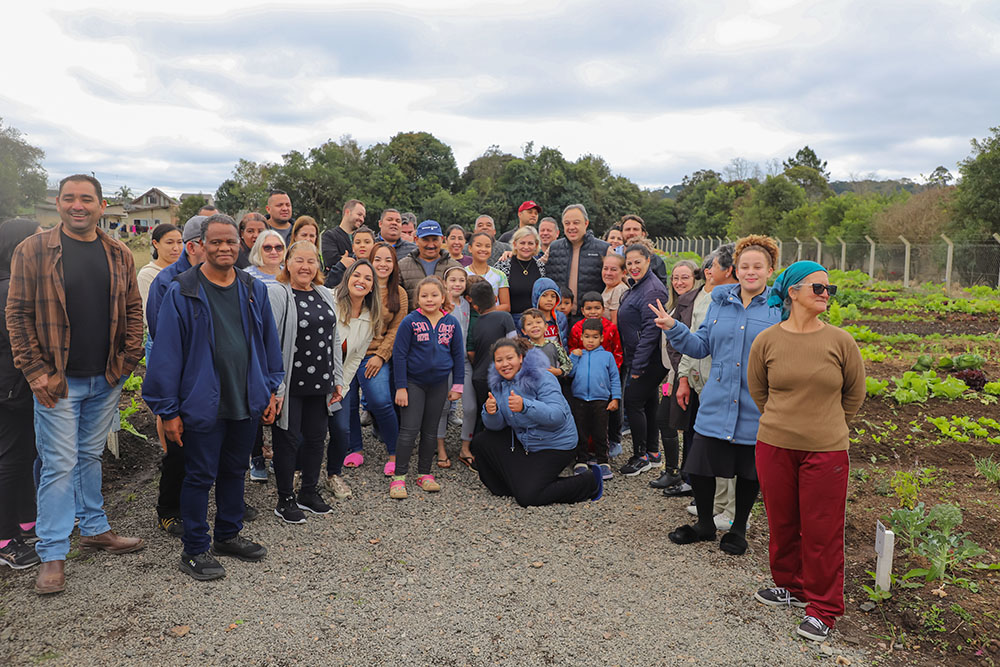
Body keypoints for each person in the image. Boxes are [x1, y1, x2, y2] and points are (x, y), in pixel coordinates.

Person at [7, 174, 145, 594]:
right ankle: (51, 554)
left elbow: (133, 311)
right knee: (59, 465)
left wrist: (125, 364)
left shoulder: (119, 253)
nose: (78, 205)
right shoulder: (32, 250)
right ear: (58, 204)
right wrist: (36, 373)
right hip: (56, 383)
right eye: (70, 198)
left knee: (88, 456)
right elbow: (17, 315)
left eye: (87, 199)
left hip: (104, 378)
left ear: (102, 206)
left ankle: (95, 527)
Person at [143, 214, 284, 581]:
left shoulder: (252, 289)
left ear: (241, 246)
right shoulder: (182, 290)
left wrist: (270, 387)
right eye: (216, 242)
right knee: (199, 475)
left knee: (234, 471)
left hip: (245, 398)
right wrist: (167, 409)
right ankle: (193, 549)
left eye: (231, 242)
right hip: (201, 402)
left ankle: (227, 534)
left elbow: (269, 343)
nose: (224, 248)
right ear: (201, 245)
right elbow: (167, 354)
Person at [749, 261, 865, 643]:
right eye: (817, 287)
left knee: (822, 531)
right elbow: (759, 390)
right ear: (793, 292)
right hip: (775, 445)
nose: (826, 294)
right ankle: (791, 587)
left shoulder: (840, 341)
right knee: (781, 522)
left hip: (825, 451)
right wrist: (783, 422)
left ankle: (824, 608)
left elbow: (854, 393)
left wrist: (828, 425)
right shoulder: (767, 340)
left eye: (829, 289)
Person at [651, 234, 782, 556]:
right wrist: (673, 327)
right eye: (745, 265)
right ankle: (706, 524)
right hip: (717, 396)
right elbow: (700, 346)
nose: (751, 271)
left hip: (755, 401)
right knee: (701, 464)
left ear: (770, 270)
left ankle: (738, 529)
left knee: (749, 470)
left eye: (758, 266)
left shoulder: (778, 310)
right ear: (735, 268)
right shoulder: (719, 304)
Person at [266, 241, 344, 524]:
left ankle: (309, 491)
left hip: (320, 380)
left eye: (311, 261)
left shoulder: (324, 293)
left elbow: (333, 337)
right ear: (288, 263)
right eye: (299, 260)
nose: (305, 267)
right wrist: (275, 387)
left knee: (315, 438)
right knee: (287, 440)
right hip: (290, 382)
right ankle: (285, 498)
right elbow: (270, 340)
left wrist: (338, 378)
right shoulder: (278, 293)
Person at [472, 340, 602, 507]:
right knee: (482, 440)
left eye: (509, 358)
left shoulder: (542, 376)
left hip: (556, 445)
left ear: (520, 358)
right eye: (499, 360)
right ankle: (507, 487)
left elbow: (558, 416)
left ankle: (589, 482)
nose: (504, 364)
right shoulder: (499, 384)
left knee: (529, 497)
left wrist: (525, 406)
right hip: (527, 441)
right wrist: (491, 412)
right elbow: (496, 427)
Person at [664, 246, 738, 500]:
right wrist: (683, 377)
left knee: (725, 444)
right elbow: (695, 341)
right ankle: (708, 498)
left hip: (726, 387)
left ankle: (728, 509)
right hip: (700, 382)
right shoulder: (708, 300)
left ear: (727, 271)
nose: (706, 271)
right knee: (699, 436)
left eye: (712, 267)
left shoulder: (751, 305)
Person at [390, 277, 464, 499]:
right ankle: (399, 477)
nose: (429, 299)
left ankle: (424, 473)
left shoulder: (451, 323)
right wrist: (400, 387)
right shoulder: (410, 322)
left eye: (434, 295)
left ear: (443, 297)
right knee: (409, 430)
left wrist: (458, 385)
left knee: (431, 431)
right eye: (424, 295)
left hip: (439, 384)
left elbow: (458, 356)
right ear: (417, 299)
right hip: (413, 383)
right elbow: (399, 355)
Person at [0, 218, 42, 570]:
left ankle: (28, 521)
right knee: (11, 460)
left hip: (18, 387)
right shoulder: (9, 288)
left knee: (27, 452)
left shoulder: (17, 282)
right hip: (9, 389)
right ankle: (4, 538)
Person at [342, 244, 405, 474]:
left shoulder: (399, 293)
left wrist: (381, 356)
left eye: (388, 260)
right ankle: (355, 449)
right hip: (349, 355)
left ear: (394, 264)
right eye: (377, 259)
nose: (382, 264)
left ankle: (395, 451)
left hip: (375, 356)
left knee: (381, 401)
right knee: (347, 404)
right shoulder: (359, 286)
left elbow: (396, 330)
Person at [617, 243, 670, 478]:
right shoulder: (638, 285)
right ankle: (653, 452)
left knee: (633, 401)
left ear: (648, 260)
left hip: (649, 359)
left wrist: (638, 365)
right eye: (629, 263)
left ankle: (641, 456)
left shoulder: (652, 289)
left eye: (638, 261)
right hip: (639, 356)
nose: (633, 266)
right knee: (648, 401)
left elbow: (651, 330)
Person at [328, 261, 381, 492]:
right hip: (314, 378)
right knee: (308, 432)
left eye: (367, 278)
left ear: (371, 287)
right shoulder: (330, 301)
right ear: (347, 278)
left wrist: (341, 387)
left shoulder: (370, 318)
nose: (361, 281)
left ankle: (333, 474)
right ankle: (299, 472)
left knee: (341, 430)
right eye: (356, 275)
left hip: (341, 383)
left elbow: (357, 357)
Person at [650, 259, 700, 490]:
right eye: (675, 278)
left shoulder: (694, 306)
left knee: (681, 424)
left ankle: (683, 474)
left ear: (696, 279)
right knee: (668, 420)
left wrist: (681, 377)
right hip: (673, 373)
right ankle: (676, 471)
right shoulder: (675, 304)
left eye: (685, 277)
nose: (679, 282)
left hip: (687, 373)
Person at [464, 280, 516, 466]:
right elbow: (514, 344)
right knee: (500, 413)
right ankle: (499, 454)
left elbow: (471, 352)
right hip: (500, 375)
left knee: (482, 414)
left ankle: (477, 453)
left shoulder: (475, 324)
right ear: (495, 298)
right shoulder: (505, 317)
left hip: (479, 376)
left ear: (475, 305)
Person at [567, 318, 621, 480]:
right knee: (581, 430)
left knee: (600, 431)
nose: (591, 341)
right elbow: (569, 373)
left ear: (602, 338)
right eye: (587, 336)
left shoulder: (607, 356)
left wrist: (616, 398)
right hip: (579, 399)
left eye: (595, 337)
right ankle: (581, 460)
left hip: (601, 400)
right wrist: (574, 358)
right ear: (581, 337)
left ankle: (603, 461)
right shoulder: (577, 354)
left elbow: (615, 378)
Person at [544, 204, 609, 312]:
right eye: (567, 223)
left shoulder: (604, 249)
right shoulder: (554, 247)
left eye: (576, 223)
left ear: (586, 223)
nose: (571, 227)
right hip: (559, 315)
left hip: (590, 316)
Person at [435, 266, 470, 467]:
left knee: (469, 406)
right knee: (443, 406)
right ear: (445, 283)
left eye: (461, 281)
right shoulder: (441, 307)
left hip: (464, 360)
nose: (457, 284)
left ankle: (465, 447)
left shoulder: (467, 304)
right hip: (445, 361)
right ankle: (440, 446)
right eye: (453, 280)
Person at [397, 220, 461, 309]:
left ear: (442, 239)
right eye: (425, 240)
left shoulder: (455, 267)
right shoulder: (402, 266)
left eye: (435, 240)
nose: (431, 245)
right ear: (416, 240)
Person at [493, 226, 546, 326]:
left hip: (535, 321)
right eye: (522, 243)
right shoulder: (503, 265)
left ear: (536, 245)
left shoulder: (540, 267)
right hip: (509, 321)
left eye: (530, 243)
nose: (526, 247)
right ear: (515, 244)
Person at [137, 223, 183, 323]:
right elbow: (149, 316)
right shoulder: (148, 274)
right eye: (169, 243)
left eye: (179, 242)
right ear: (155, 244)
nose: (176, 248)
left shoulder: (187, 271)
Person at [568, 292, 623, 366]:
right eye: (588, 308)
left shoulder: (611, 328)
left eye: (597, 308)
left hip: (605, 369)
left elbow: (617, 352)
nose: (593, 312)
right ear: (583, 311)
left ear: (603, 309)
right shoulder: (577, 328)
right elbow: (572, 349)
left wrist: (613, 371)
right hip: (582, 368)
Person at [520, 308, 571, 379]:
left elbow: (568, 365)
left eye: (538, 322)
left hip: (552, 385)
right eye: (529, 324)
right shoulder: (523, 348)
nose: (534, 326)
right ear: (524, 331)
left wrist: (558, 371)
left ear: (546, 327)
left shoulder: (554, 345)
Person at [465, 232, 510, 311]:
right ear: (470, 248)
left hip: (493, 319)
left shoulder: (500, 275)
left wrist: (487, 311)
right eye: (478, 245)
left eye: (487, 246)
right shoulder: (463, 274)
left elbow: (506, 306)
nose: (483, 249)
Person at [321, 198, 366, 275]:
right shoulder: (330, 235)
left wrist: (345, 259)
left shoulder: (362, 237)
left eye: (363, 217)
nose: (362, 219)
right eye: (359, 214)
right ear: (347, 212)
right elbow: (330, 260)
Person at [620, 215, 668, 284]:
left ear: (643, 234)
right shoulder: (614, 257)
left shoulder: (655, 261)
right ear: (621, 233)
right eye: (627, 229)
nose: (631, 233)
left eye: (635, 229)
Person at [530, 277, 568, 347]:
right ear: (536, 297)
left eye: (553, 296)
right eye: (544, 295)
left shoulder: (561, 318)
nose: (549, 299)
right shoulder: (529, 319)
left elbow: (564, 343)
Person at [601, 253, 628, 326]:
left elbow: (614, 323)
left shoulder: (619, 289)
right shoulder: (609, 286)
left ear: (623, 273)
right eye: (605, 268)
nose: (608, 273)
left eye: (613, 270)